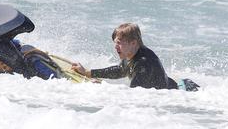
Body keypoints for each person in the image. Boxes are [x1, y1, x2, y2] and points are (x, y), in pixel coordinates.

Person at [71, 23, 199, 91]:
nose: (116, 47)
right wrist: (88, 73)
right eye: (115, 43)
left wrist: (103, 88)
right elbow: (120, 70)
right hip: (171, 87)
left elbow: (134, 94)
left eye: (119, 43)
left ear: (133, 43)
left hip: (175, 96)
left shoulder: (143, 63)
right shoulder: (132, 55)